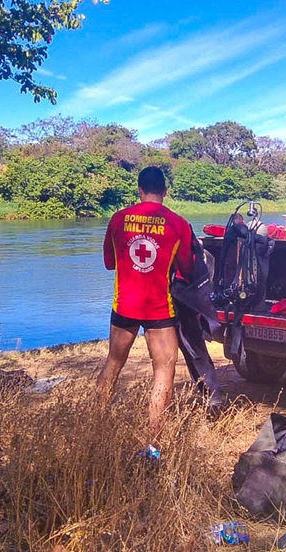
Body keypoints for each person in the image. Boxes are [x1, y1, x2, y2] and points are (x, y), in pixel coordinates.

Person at [97, 166, 194, 444]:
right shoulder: (179, 224)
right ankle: (154, 440)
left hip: (124, 305)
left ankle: (98, 424)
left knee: (113, 363)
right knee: (164, 369)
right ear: (165, 191)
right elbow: (186, 269)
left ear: (139, 190)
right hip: (159, 308)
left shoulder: (118, 219)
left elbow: (109, 263)